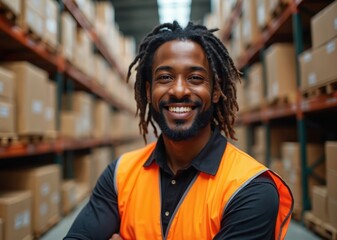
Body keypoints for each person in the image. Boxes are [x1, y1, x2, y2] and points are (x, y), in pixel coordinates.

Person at [64, 21, 293, 240]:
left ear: (216, 91)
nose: (179, 90)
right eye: (165, 77)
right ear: (149, 90)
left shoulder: (250, 189)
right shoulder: (120, 175)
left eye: (195, 78)